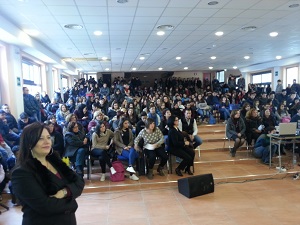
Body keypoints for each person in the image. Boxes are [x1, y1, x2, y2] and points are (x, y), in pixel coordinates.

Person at [11, 122, 84, 225]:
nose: (47, 142)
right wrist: (72, 203)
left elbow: (79, 183)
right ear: (29, 143)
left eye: (48, 137)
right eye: (41, 138)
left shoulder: (55, 161)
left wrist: (65, 192)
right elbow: (46, 206)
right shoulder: (21, 173)